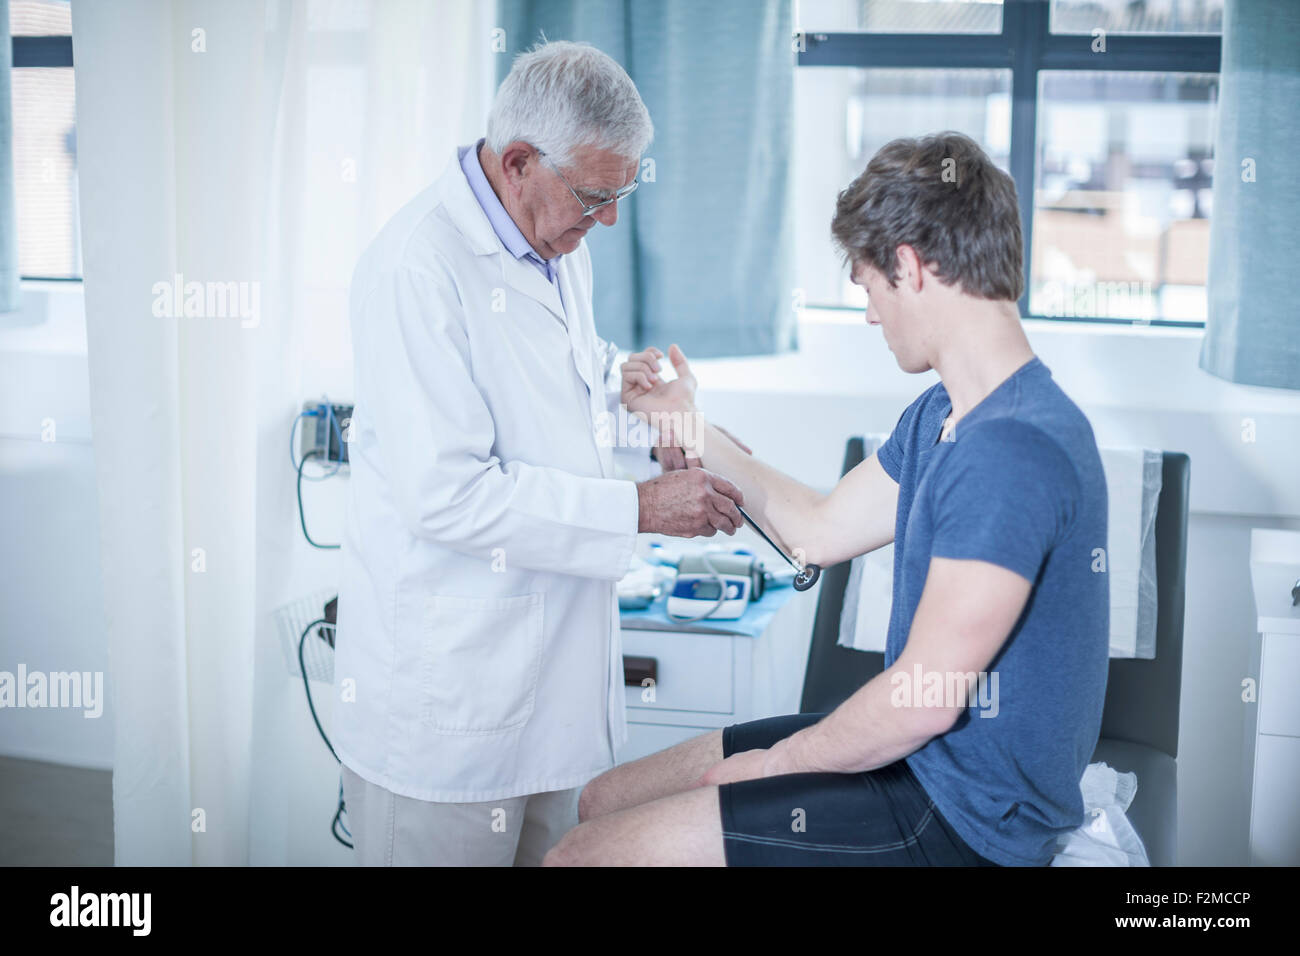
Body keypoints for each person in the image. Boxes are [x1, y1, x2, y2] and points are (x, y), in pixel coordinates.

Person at [545, 131, 1110, 867]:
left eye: (868, 286)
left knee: (579, 857)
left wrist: (776, 766)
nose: (872, 315)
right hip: (923, 762)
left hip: (966, 819)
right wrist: (682, 419)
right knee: (602, 801)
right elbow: (814, 529)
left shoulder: (1014, 446)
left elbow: (926, 695)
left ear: (908, 266)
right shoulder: (942, 413)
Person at [332, 40, 746, 866]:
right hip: (448, 712)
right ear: (519, 161)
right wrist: (640, 508)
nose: (609, 220)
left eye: (620, 194)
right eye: (597, 195)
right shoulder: (417, 268)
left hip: (553, 698)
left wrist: (626, 392)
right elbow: (448, 494)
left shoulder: (558, 244)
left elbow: (548, 392)